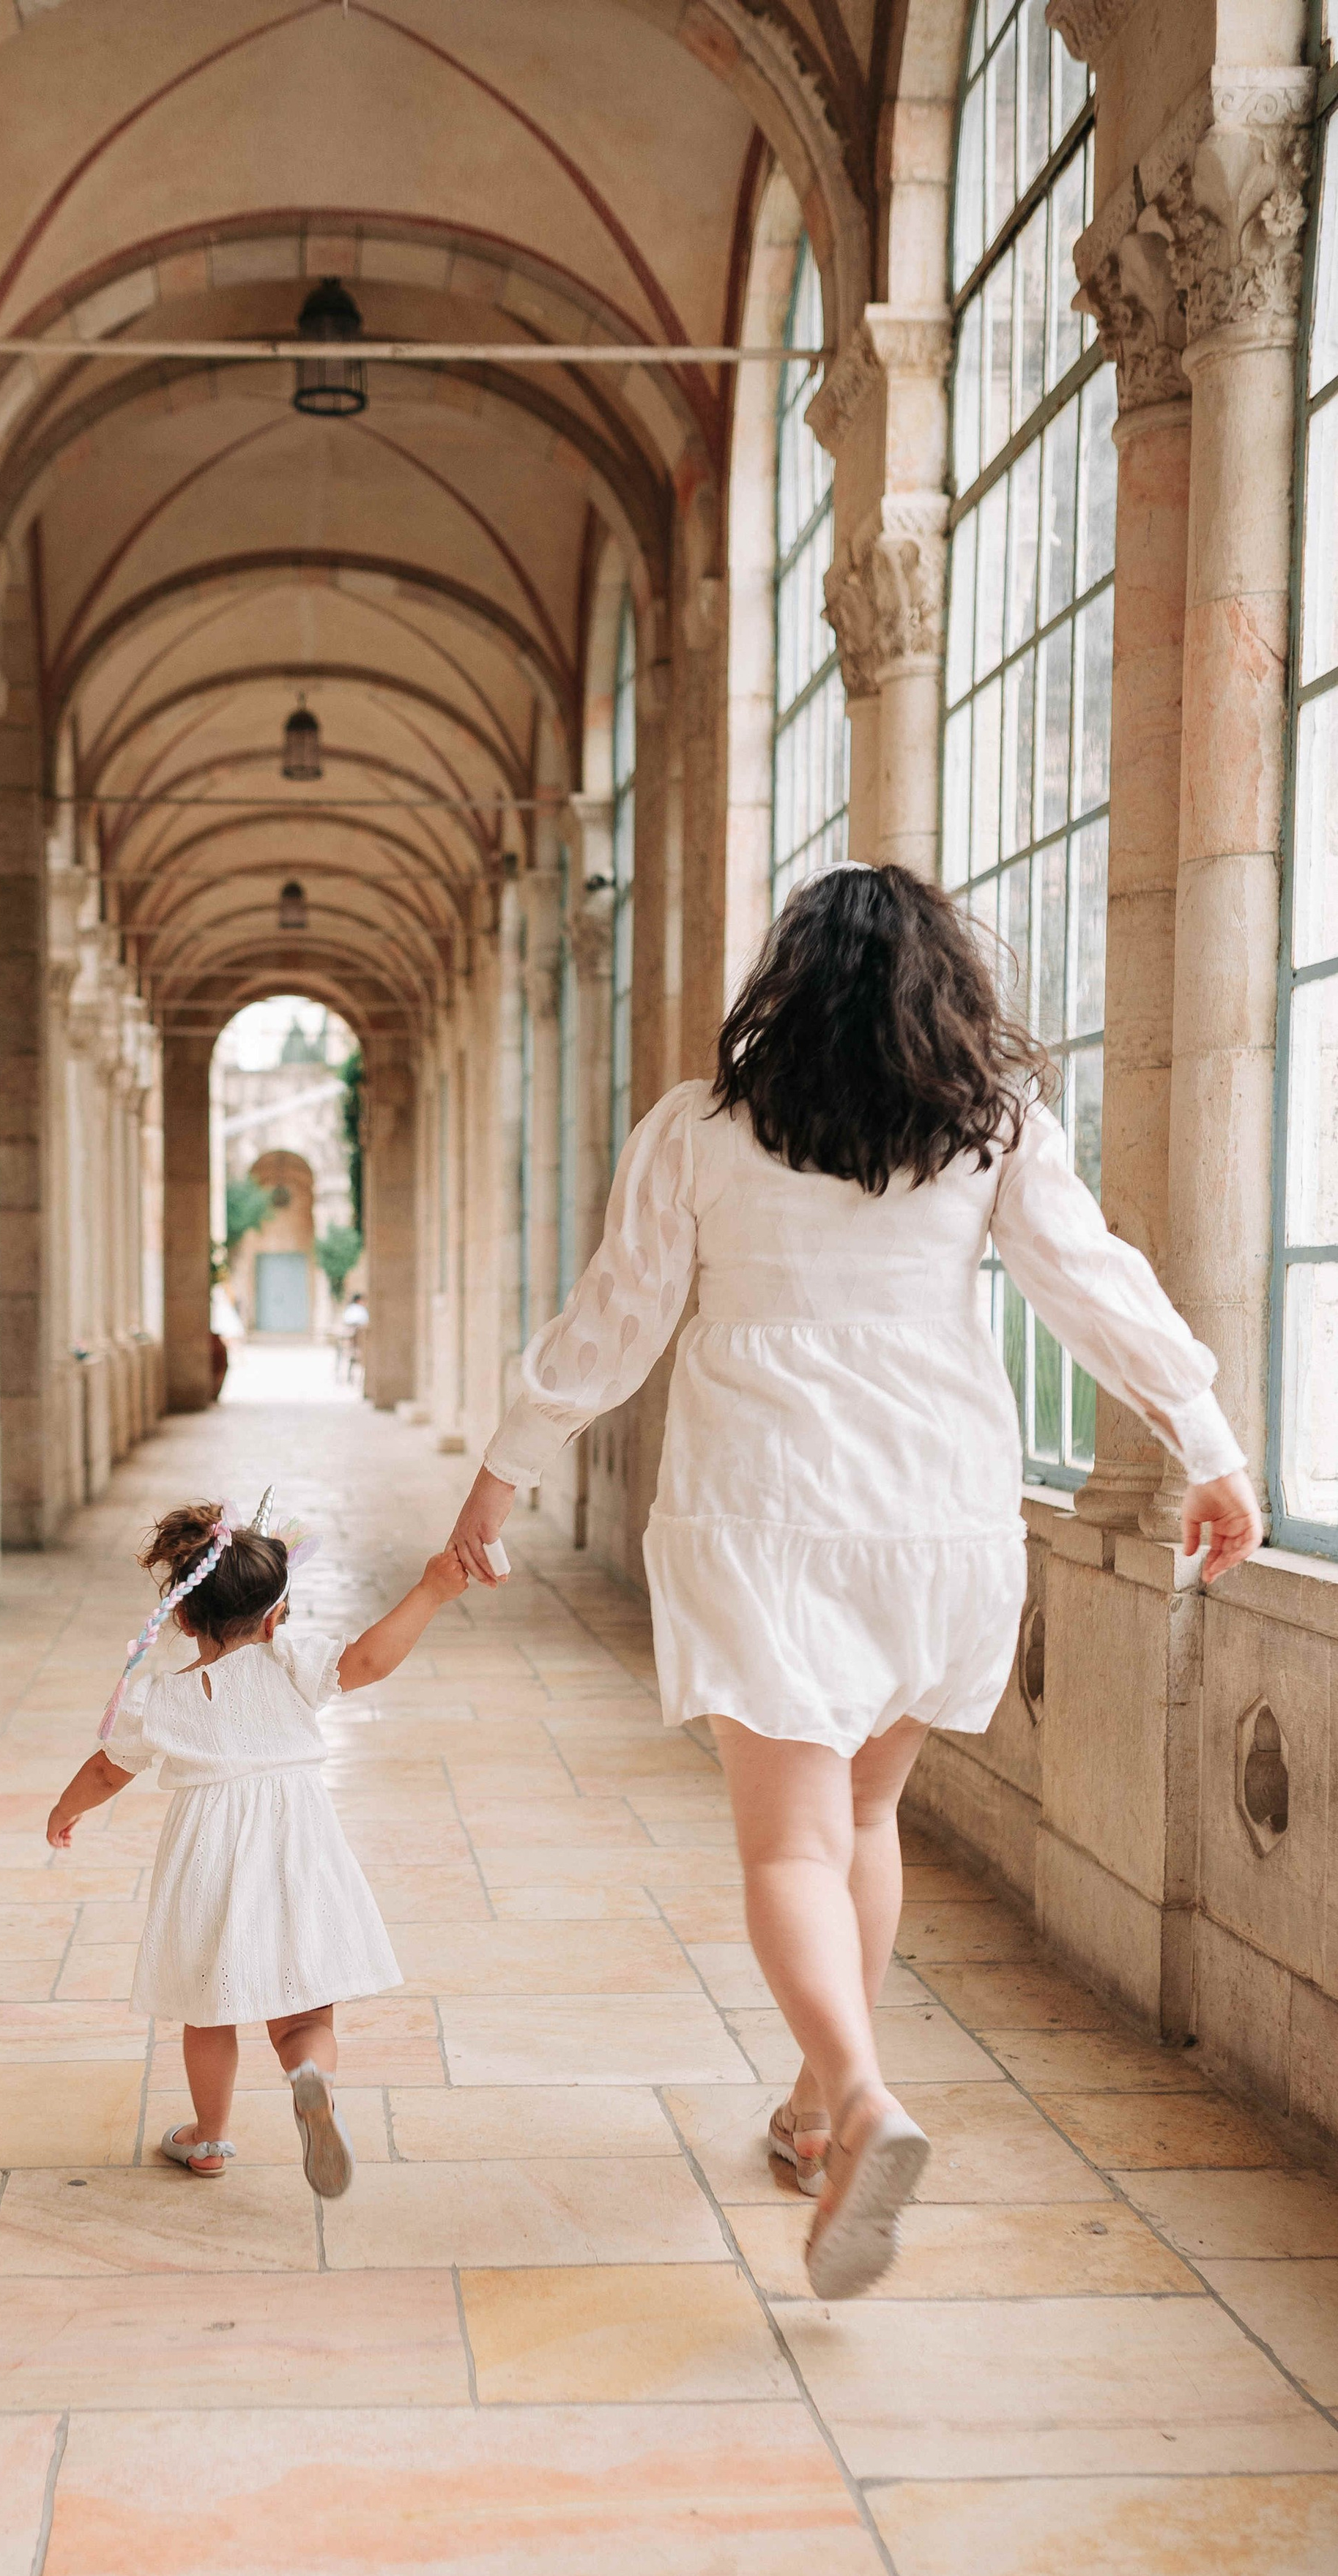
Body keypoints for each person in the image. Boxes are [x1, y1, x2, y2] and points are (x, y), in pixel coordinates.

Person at [450, 862, 1260, 2301]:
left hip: (761, 1505)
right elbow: (1091, 1284)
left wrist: (502, 1470)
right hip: (936, 1511)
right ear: (944, 990)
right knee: (866, 1818)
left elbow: (617, 1318)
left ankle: (861, 2094)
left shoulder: (700, 1129)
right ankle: (817, 2107)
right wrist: (1206, 1444)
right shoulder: (990, 1129)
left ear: (789, 983)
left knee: (786, 1848)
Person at [46, 1496, 469, 2195]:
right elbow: (371, 1659)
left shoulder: (158, 1698)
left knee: (207, 2005)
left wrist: (67, 1809)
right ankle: (310, 2077)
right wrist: (431, 1590)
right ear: (275, 1616)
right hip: (297, 1845)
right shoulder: (292, 1662)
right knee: (305, 2011)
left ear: (184, 1618)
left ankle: (208, 2138)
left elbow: (106, 1771)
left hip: (208, 1858)